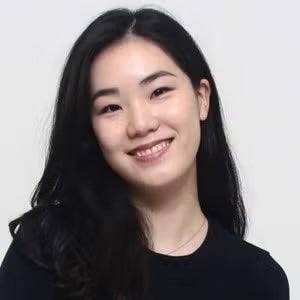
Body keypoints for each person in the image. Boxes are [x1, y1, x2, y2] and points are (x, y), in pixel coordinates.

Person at [0, 7, 289, 300]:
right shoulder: (49, 251)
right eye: (111, 107)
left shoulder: (258, 280)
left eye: (159, 91)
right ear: (90, 129)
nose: (141, 124)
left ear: (202, 98)